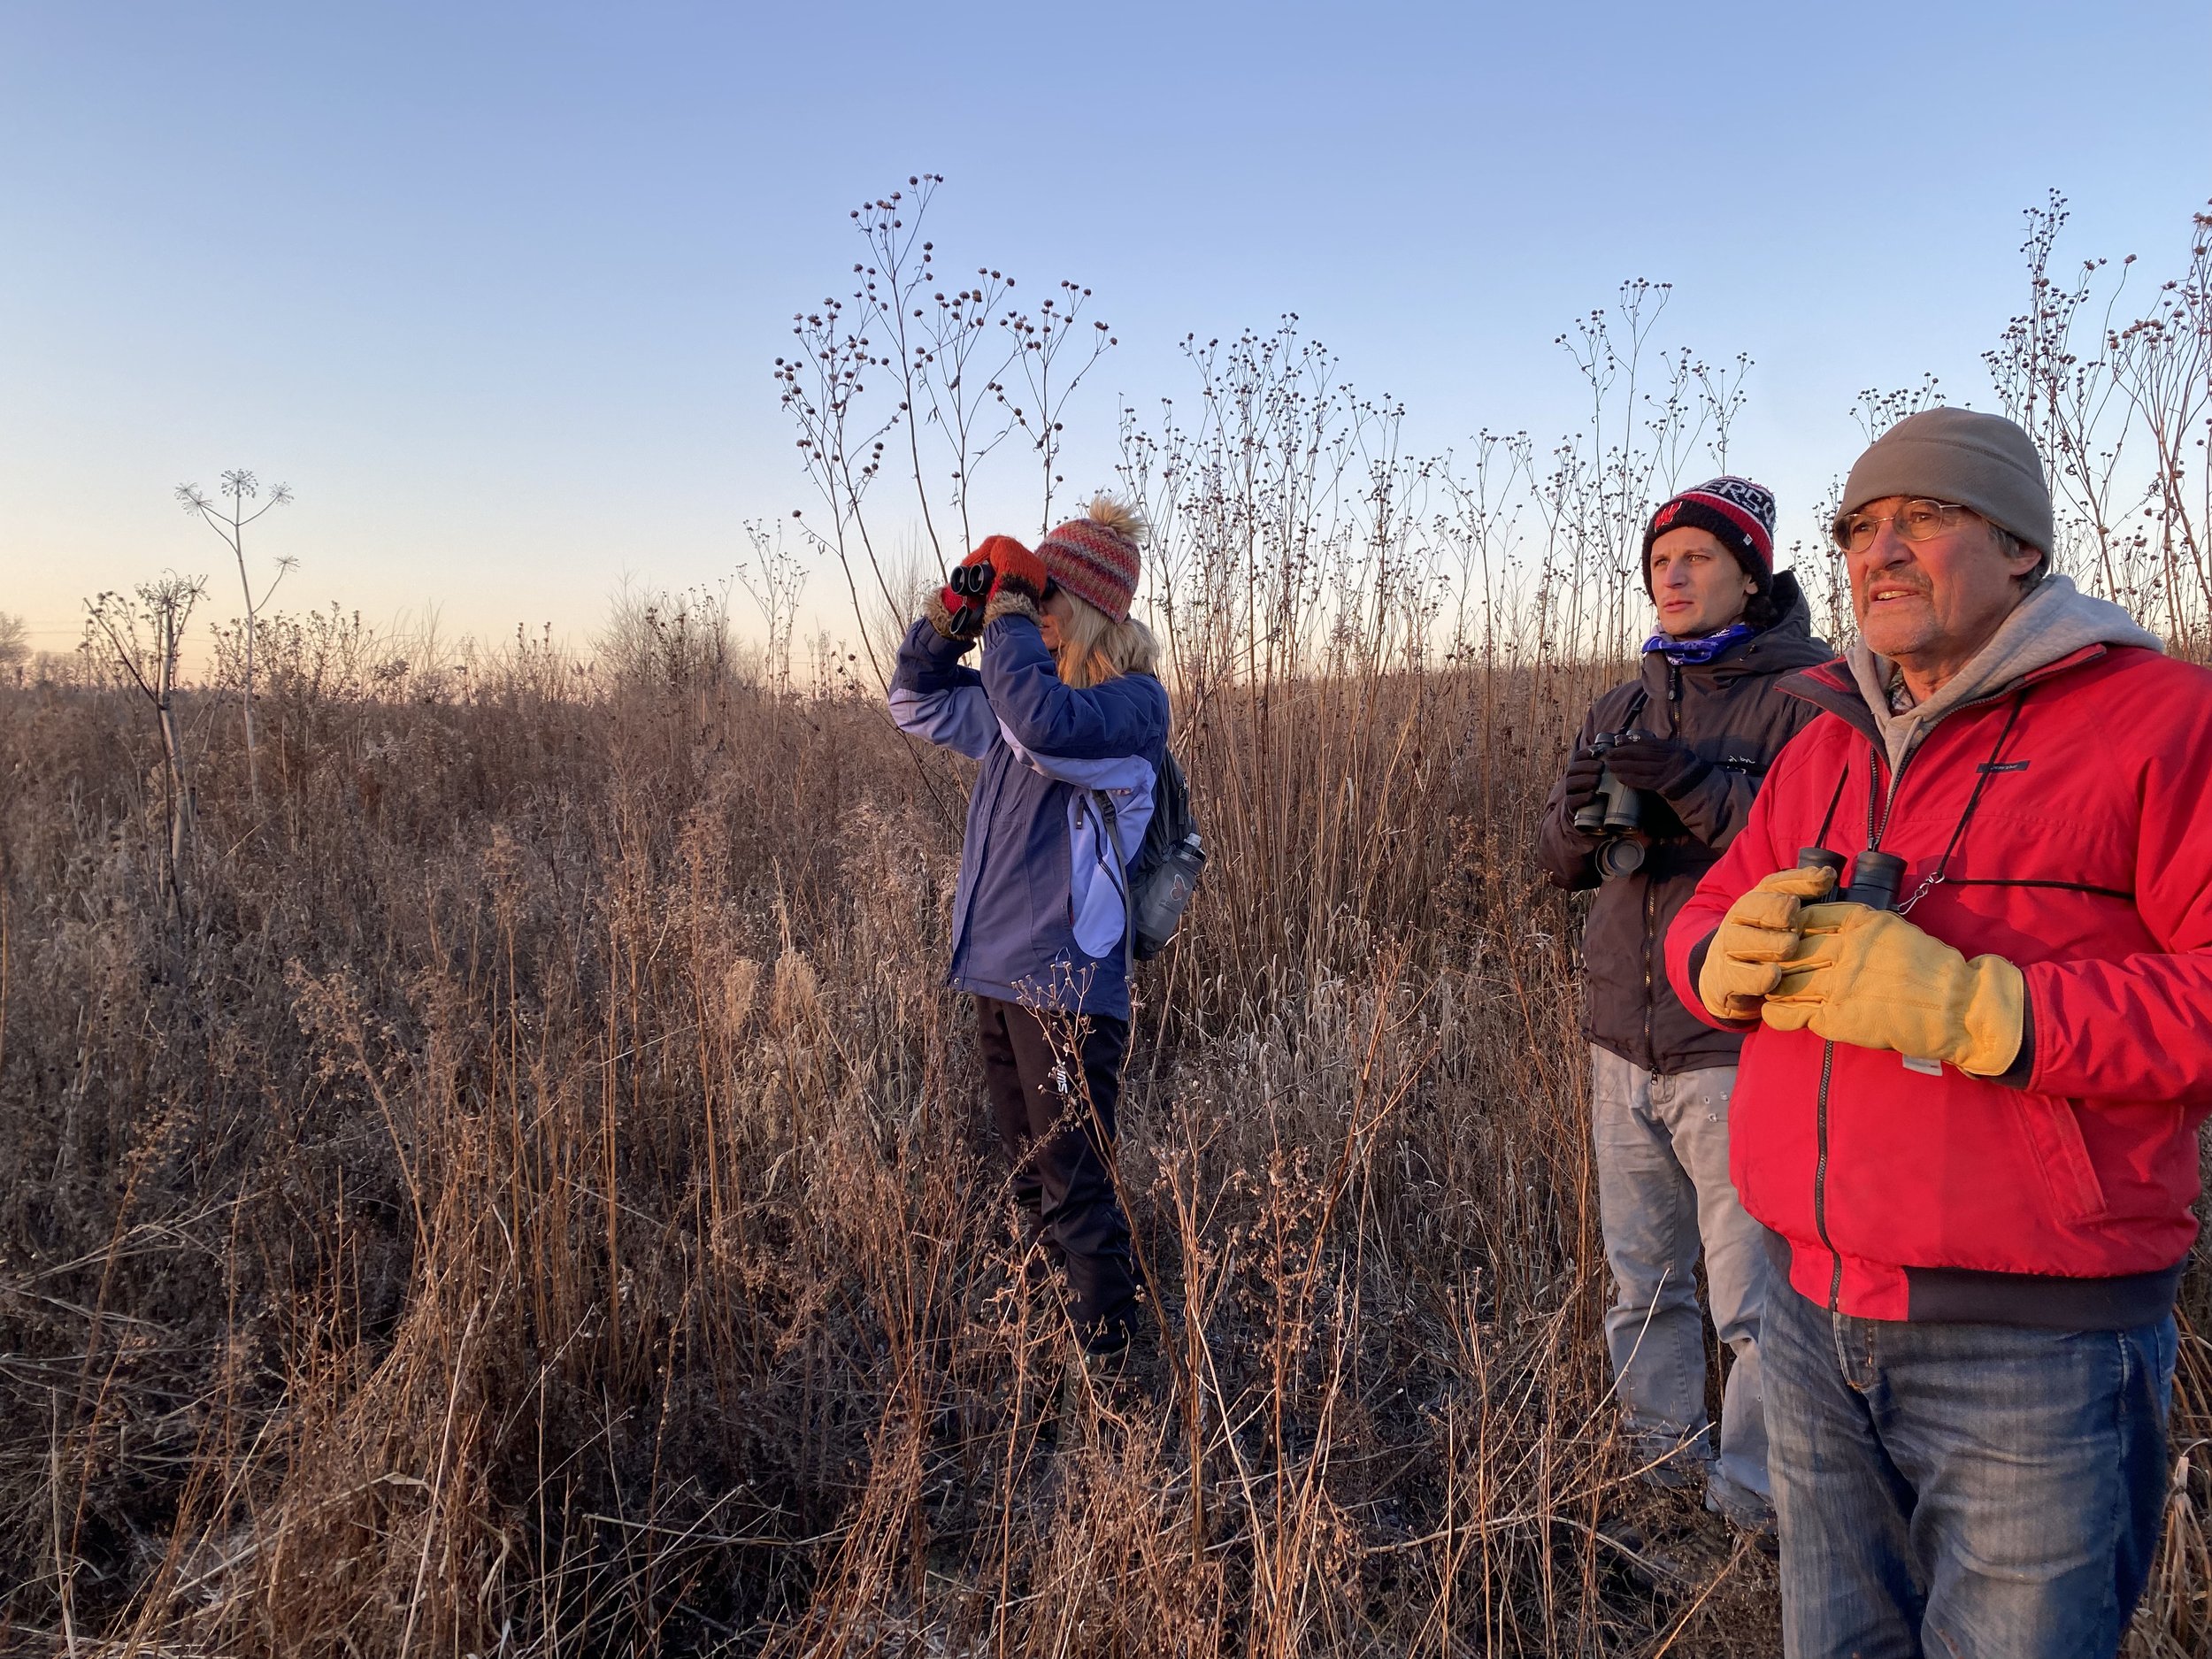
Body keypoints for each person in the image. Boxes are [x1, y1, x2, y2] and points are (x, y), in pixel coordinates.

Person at [1668, 407, 2212, 1657]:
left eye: (1925, 515)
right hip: (1809, 1310)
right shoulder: (1831, 736)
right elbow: (1705, 911)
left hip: (2035, 1344)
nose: (1882, 550)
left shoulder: (2163, 723)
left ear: (2020, 545)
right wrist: (1715, 956)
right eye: (1860, 525)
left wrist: (1995, 1014)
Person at [1536, 476, 1831, 1534]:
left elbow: (1816, 861)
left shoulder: (1812, 698)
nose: (1672, 574)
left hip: (1734, 1046)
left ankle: (1751, 1509)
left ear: (1749, 574)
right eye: (1661, 559)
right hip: (1623, 1038)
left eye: (1699, 557)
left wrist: (1693, 784)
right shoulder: (1624, 701)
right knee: (1641, 1284)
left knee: (1756, 1303)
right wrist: (1580, 817)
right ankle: (1653, 1482)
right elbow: (1558, 868)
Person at [888, 498, 1165, 1359]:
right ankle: (1056, 1379)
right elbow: (914, 702)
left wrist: (1003, 620)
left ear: (1082, 613)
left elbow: (1043, 729)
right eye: (1027, 605)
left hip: (1066, 989)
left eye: (1042, 605)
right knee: (1029, 1188)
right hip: (1000, 975)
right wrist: (952, 618)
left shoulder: (1129, 709)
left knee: (1076, 1194)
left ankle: (1113, 1404)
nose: (1031, 623)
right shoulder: (1019, 705)